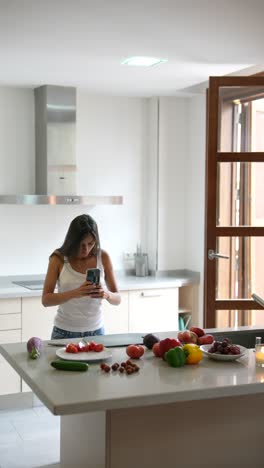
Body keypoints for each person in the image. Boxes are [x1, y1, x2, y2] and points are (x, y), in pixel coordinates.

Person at [42, 214, 121, 340]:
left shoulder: (103, 257)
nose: (85, 249)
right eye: (81, 244)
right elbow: (46, 300)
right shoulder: (58, 258)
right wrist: (76, 293)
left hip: (97, 333)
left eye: (90, 243)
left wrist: (106, 294)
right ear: (72, 241)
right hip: (64, 333)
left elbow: (118, 299)